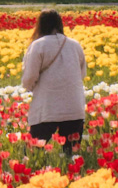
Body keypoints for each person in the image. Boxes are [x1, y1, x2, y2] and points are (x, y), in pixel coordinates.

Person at [21, 9, 87, 155]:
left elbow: (29, 78)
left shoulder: (38, 45)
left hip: (47, 107)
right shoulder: (75, 45)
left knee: (33, 153)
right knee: (71, 154)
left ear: (41, 26)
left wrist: (31, 88)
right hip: (74, 107)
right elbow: (82, 74)